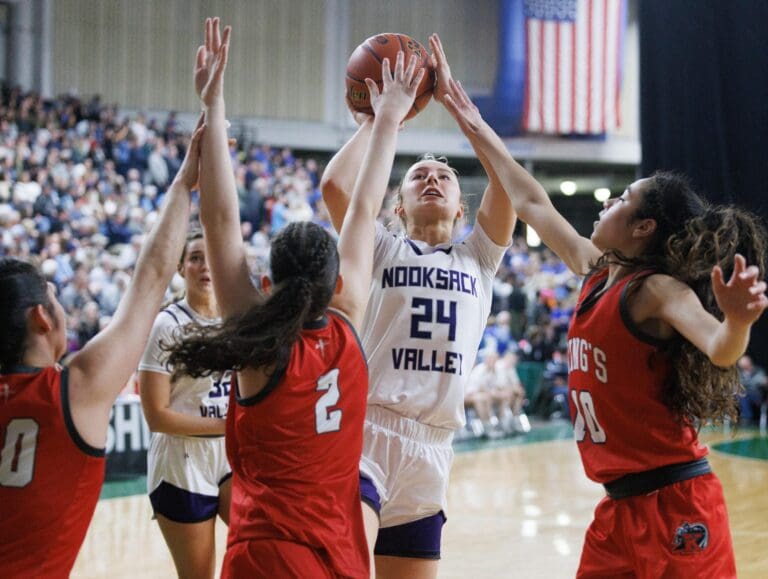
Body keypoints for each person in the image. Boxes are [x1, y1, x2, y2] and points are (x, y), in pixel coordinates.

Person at [441, 80, 768, 577]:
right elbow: (530, 201)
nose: (608, 202)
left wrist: (739, 321)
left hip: (678, 505)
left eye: (621, 200)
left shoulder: (655, 291)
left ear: (643, 228)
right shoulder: (595, 271)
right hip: (618, 509)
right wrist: (470, 120)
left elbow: (721, 348)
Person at [165, 18, 425, 577]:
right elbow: (363, 209)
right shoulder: (348, 325)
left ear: (265, 284)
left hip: (267, 554)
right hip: (342, 556)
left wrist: (213, 104)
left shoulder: (261, 349)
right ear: (337, 286)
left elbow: (218, 220)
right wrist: (387, 122)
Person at [321, 34, 519, 578]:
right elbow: (337, 186)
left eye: (445, 177)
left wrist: (463, 110)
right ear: (397, 204)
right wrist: (380, 119)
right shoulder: (381, 245)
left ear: (462, 210)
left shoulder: (479, 256)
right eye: (418, 176)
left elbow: (508, 182)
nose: (432, 178)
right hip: (367, 431)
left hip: (433, 447)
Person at [0, 121, 204, 577]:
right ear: (41, 317)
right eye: (55, 296)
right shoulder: (73, 392)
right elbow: (151, 278)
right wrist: (184, 181)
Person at [138, 230, 232, 579]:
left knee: (265, 541)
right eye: (195, 257)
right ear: (181, 268)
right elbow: (156, 416)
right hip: (180, 462)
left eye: (211, 256)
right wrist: (229, 425)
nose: (205, 265)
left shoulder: (237, 319)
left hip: (229, 455)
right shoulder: (167, 325)